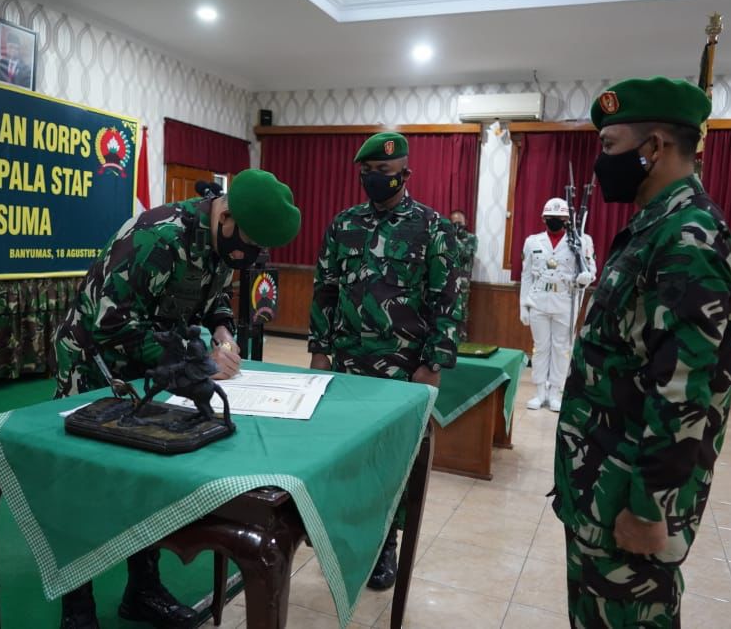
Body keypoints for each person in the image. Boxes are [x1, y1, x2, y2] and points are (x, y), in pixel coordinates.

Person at [52, 168, 300, 629]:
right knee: (82, 485)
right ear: (224, 214)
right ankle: (77, 604)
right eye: (246, 242)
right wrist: (194, 356)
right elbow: (111, 326)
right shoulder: (158, 237)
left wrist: (223, 331)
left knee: (143, 478)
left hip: (146, 369)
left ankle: (142, 590)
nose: (247, 256)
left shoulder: (225, 241)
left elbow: (212, 300)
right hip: (93, 364)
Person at [552, 77, 731, 628]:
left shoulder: (687, 237)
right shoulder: (652, 229)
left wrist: (649, 505)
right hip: (600, 480)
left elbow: (683, 389)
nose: (600, 163)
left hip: (628, 494)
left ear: (654, 147)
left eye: (610, 147)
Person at [308, 131, 461, 590]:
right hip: (348, 366)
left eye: (385, 174)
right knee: (346, 455)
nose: (375, 181)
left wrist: (432, 364)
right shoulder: (343, 225)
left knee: (393, 460)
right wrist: (319, 350)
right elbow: (325, 290)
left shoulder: (433, 228)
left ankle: (384, 546)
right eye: (368, 173)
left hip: (403, 370)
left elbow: (448, 300)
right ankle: (344, 534)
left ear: (406, 175)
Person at [519, 198, 596, 412]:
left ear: (567, 220)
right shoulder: (533, 241)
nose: (555, 221)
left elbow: (591, 270)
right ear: (543, 219)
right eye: (551, 218)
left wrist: (585, 278)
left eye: (560, 218)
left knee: (562, 348)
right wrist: (523, 306)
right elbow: (526, 276)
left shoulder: (581, 241)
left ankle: (555, 392)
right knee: (540, 347)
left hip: (565, 302)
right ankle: (539, 392)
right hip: (538, 301)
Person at [449, 209, 478, 341]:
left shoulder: (471, 239)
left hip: (463, 286)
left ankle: (462, 343)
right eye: (454, 224)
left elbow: (466, 255)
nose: (457, 226)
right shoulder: (446, 238)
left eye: (459, 223)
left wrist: (455, 238)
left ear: (465, 223)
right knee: (448, 315)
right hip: (448, 284)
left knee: (461, 316)